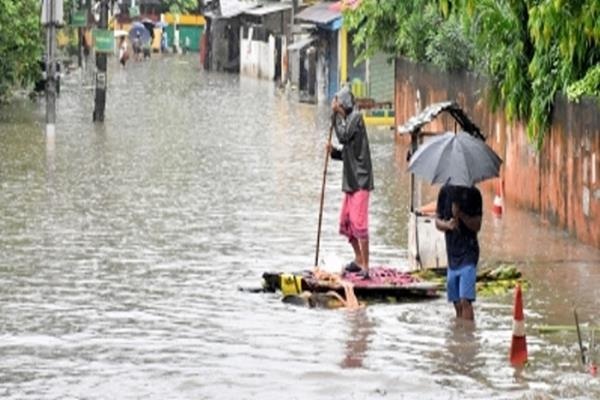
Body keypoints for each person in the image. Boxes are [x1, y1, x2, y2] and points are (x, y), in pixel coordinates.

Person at [328, 85, 374, 277]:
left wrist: (335, 116)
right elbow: (347, 152)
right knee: (346, 222)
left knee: (359, 223)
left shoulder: (355, 118)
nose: (337, 105)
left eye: (339, 102)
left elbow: (343, 136)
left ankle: (366, 266)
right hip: (350, 181)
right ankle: (358, 259)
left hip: (360, 181)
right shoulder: (347, 120)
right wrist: (333, 152)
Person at [435, 184, 482, 321]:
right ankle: (460, 336)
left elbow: (477, 225)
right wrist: (448, 225)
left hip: (469, 254)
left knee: (465, 301)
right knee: (456, 303)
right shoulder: (444, 191)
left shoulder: (474, 193)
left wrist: (460, 215)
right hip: (452, 256)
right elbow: (437, 221)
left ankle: (467, 338)